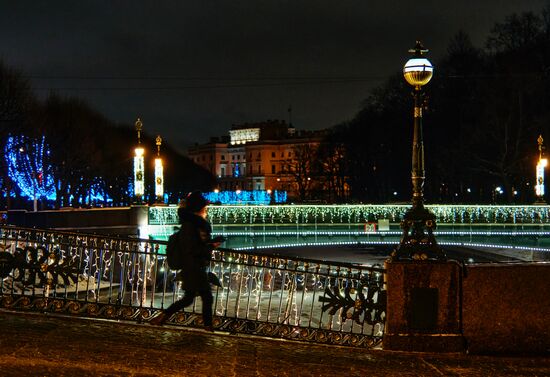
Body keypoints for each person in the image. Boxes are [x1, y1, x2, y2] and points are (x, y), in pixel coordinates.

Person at [150, 191, 222, 331]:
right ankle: (208, 326)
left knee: (188, 298)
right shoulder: (192, 226)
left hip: (192, 266)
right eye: (204, 207)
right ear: (198, 209)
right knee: (206, 297)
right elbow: (192, 248)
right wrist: (210, 246)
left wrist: (209, 245)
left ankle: (162, 317)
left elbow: (194, 246)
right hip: (194, 267)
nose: (206, 210)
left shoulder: (191, 224)